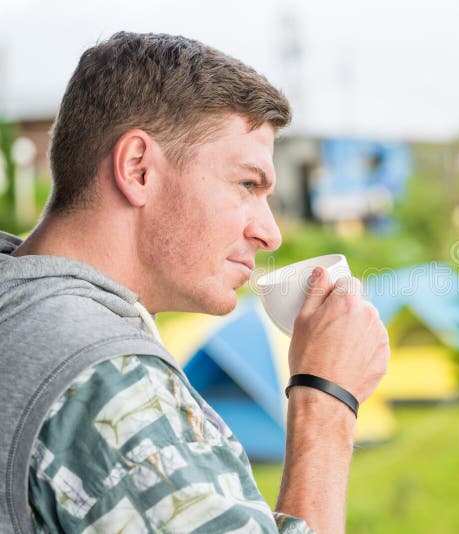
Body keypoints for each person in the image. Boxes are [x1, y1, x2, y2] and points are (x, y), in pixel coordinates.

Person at [0, 31, 389, 534]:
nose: (269, 233)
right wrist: (325, 402)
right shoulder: (107, 378)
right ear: (137, 168)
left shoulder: (18, 304)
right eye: (248, 185)